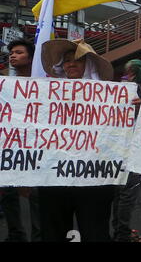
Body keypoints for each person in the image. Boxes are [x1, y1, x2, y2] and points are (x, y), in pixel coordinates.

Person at [38, 39, 116, 242]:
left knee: (95, 232)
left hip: (94, 181)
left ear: (88, 65)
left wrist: (129, 108)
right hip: (54, 178)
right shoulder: (47, 95)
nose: (70, 64)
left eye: (77, 60)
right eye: (66, 61)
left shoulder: (110, 97)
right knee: (54, 232)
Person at [0, 39, 41, 242]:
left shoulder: (44, 84)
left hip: (37, 148)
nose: (13, 55)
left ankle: (38, 236)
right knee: (7, 192)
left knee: (35, 194)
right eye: (11, 53)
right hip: (11, 147)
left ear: (31, 58)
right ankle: (16, 235)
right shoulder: (5, 84)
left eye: (18, 52)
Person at [112, 59, 141, 242]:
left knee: (122, 193)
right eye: (128, 71)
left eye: (132, 71)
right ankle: (122, 234)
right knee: (125, 194)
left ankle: (120, 230)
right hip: (125, 147)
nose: (129, 75)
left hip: (126, 145)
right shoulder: (127, 89)